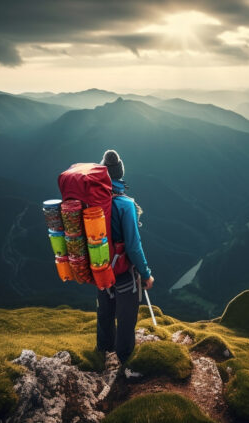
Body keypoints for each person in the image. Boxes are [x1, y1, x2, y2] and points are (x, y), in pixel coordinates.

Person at [96, 149, 154, 364]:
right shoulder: (125, 204)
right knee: (127, 315)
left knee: (105, 309)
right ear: (120, 174)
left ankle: (103, 349)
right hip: (122, 270)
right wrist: (145, 274)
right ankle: (125, 357)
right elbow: (133, 245)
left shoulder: (91, 202)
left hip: (100, 265)